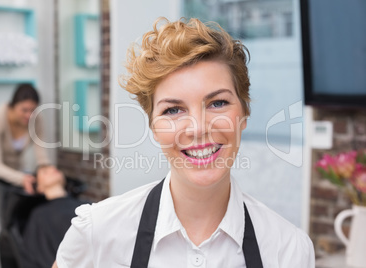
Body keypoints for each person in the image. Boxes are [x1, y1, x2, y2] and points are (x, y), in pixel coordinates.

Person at [54, 18, 315, 267]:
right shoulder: (97, 232)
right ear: (153, 127)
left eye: (217, 103)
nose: (198, 128)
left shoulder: (288, 249)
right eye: (173, 110)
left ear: (244, 114)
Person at [0, 83, 51, 267]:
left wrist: (46, 172)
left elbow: (41, 153)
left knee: (19, 230)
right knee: (1, 232)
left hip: (17, 177)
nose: (29, 115)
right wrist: (22, 178)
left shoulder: (36, 119)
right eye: (24, 110)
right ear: (13, 106)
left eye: (33, 110)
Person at [21, 165, 86, 268]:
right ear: (39, 187)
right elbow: (33, 256)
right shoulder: (39, 215)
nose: (52, 170)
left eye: (55, 168)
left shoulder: (86, 206)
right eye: (45, 172)